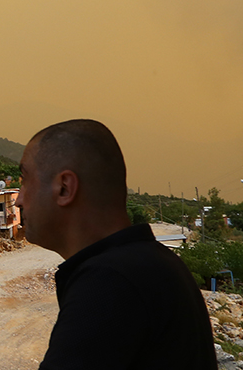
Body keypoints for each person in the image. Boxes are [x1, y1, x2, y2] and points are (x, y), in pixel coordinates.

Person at [15, 119, 216, 369]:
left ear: (64, 188)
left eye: (24, 180)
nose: (18, 200)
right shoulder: (153, 263)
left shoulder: (109, 284)